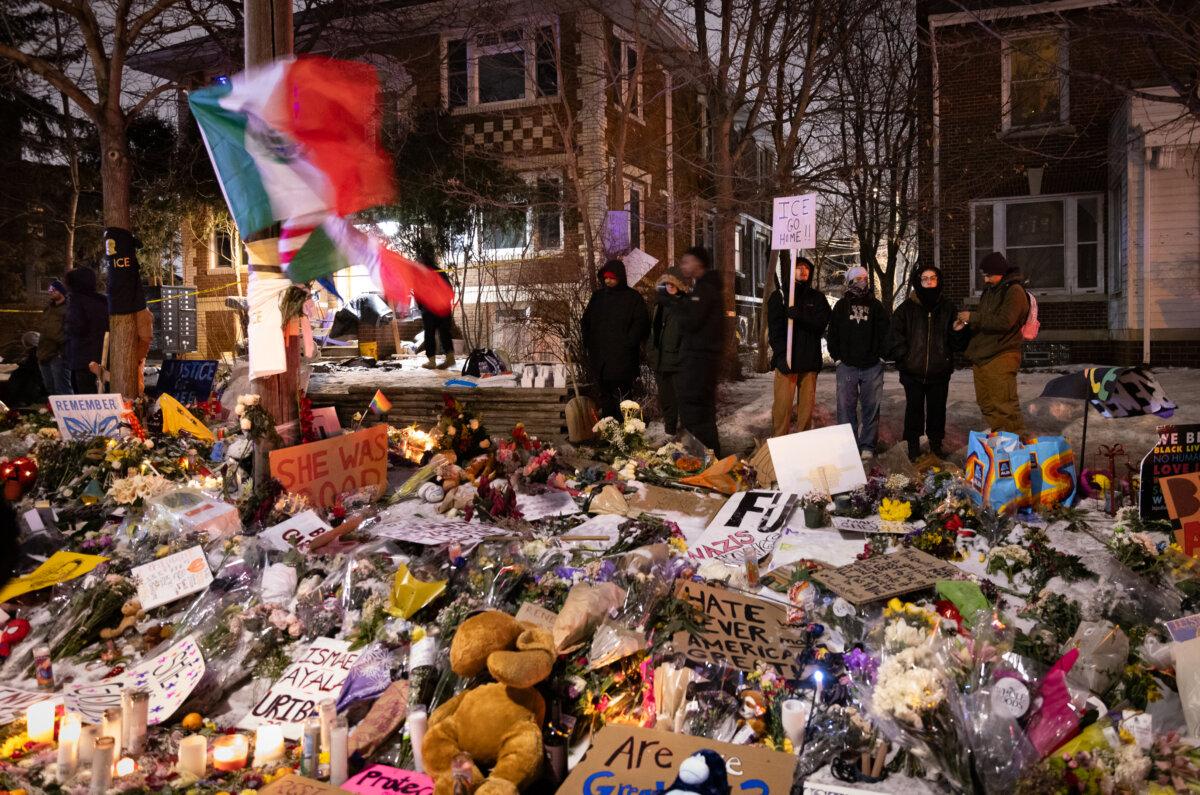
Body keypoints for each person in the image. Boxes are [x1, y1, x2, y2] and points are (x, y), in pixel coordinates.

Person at [889, 265, 967, 460]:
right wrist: (905, 358)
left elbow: (956, 343)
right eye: (925, 278)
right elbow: (894, 336)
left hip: (939, 371)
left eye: (933, 278)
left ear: (938, 280)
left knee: (937, 411)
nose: (929, 282)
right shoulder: (907, 308)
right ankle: (913, 446)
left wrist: (958, 331)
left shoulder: (947, 307)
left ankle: (935, 445)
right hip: (912, 371)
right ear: (918, 281)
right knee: (913, 410)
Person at [960, 251, 1029, 434]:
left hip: (1001, 355)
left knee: (1005, 407)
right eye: (984, 276)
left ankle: (1017, 448)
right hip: (983, 356)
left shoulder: (1014, 291)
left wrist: (973, 317)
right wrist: (966, 324)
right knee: (987, 404)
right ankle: (1002, 441)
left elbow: (1004, 321)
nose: (986, 280)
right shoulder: (991, 290)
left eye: (989, 275)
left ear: (1000, 272)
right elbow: (987, 320)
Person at [828, 266, 889, 460]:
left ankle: (868, 446)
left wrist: (881, 357)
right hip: (847, 365)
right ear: (850, 281)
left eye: (864, 277)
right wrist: (837, 357)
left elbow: (885, 333)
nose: (862, 281)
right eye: (858, 278)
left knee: (871, 407)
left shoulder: (876, 306)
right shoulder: (840, 306)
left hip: (872, 366)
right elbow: (833, 333)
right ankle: (848, 446)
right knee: (846, 408)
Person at [767, 255, 830, 438]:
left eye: (807, 268)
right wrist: (780, 356)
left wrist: (800, 316)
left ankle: (803, 442)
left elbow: (821, 323)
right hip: (787, 361)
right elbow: (775, 330)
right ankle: (779, 443)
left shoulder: (817, 298)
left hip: (809, 362)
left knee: (806, 410)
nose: (803, 271)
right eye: (799, 267)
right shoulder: (779, 296)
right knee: (782, 408)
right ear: (791, 270)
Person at [581, 259, 650, 420]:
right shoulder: (598, 297)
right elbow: (586, 321)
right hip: (601, 359)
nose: (608, 281)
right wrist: (590, 343)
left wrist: (628, 343)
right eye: (606, 278)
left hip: (622, 359)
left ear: (620, 277)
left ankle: (627, 433)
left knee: (624, 399)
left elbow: (641, 323)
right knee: (606, 399)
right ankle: (609, 432)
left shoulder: (632, 298)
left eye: (612, 277)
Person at [676, 246, 724, 455]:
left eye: (687, 261)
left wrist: (675, 303)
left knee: (695, 409)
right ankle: (709, 454)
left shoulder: (704, 291)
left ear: (698, 263)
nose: (683, 266)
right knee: (702, 410)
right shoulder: (705, 289)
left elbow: (691, 322)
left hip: (699, 361)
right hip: (702, 359)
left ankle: (702, 455)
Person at [648, 267, 689, 435]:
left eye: (673, 284)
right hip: (660, 361)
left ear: (680, 286)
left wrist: (682, 357)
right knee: (667, 401)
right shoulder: (659, 305)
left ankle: (687, 436)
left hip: (678, 363)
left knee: (683, 401)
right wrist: (651, 352)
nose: (669, 287)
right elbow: (652, 331)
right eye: (666, 284)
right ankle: (670, 432)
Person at [64, 265, 109, 394]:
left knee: (84, 397)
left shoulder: (77, 301)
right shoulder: (102, 302)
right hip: (102, 357)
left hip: (82, 359)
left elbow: (76, 328)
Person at [414, 243, 456, 370]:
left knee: (430, 334)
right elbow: (449, 290)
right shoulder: (439, 271)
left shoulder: (421, 274)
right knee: (444, 333)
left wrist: (422, 306)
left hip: (431, 309)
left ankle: (432, 361)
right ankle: (449, 358)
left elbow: (418, 292)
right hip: (442, 308)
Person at [37, 279, 71, 396]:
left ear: (61, 291)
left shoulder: (68, 308)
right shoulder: (48, 308)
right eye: (49, 289)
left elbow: (70, 331)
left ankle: (70, 413)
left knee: (62, 389)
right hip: (44, 352)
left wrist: (62, 348)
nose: (50, 292)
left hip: (58, 354)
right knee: (50, 389)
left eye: (53, 289)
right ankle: (53, 413)